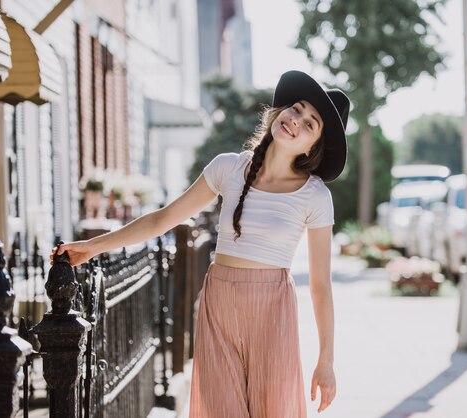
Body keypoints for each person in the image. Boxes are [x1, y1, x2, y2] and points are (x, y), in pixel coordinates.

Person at [52, 70, 350, 417]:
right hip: (219, 301)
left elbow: (320, 287)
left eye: (311, 124)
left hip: (272, 309)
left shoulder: (314, 196)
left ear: (314, 146)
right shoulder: (228, 168)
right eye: (296, 109)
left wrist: (325, 361)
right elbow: (162, 219)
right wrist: (93, 247)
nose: (296, 120)